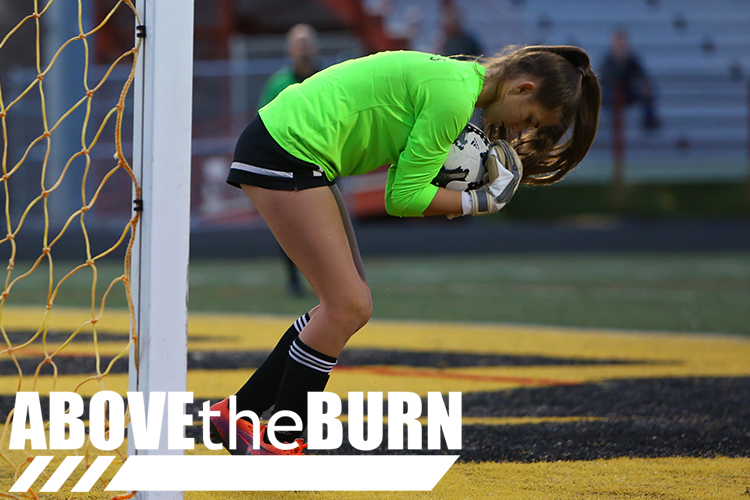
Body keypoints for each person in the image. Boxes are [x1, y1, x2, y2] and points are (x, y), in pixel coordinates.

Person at [209, 46, 602, 455]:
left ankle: (240, 412)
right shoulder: (453, 96)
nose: (521, 129)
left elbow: (402, 182)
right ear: (524, 87)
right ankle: (281, 440)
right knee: (347, 306)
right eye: (531, 118)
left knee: (347, 305)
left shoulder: (455, 82)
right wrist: (481, 201)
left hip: (293, 145)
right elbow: (404, 198)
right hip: (289, 148)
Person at [258, 24, 321, 297]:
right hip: (288, 167)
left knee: (326, 228)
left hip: (324, 163)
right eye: (299, 42)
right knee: (291, 229)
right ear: (290, 48)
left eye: (308, 41)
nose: (304, 47)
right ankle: (294, 281)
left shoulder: (329, 79)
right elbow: (262, 123)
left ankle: (329, 282)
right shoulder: (278, 84)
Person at [599, 29, 660, 129]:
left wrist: (644, 86)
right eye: (617, 44)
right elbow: (601, 79)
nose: (620, 47)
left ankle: (649, 119)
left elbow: (642, 77)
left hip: (628, 92)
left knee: (647, 89)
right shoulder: (608, 60)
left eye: (622, 44)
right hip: (610, 93)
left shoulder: (632, 60)